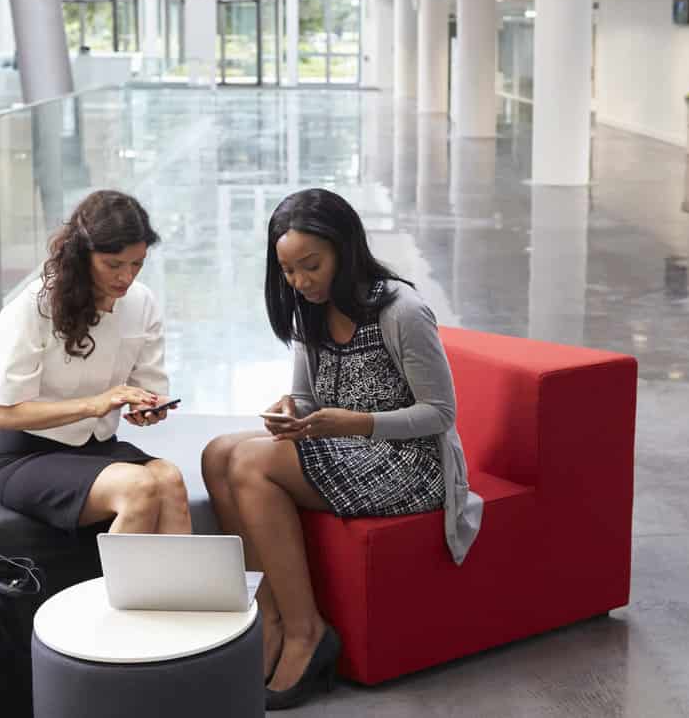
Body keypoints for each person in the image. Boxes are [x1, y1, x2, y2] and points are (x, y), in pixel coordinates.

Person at [202, 188, 482, 710]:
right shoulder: (309, 309)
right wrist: (291, 408)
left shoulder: (402, 310)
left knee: (251, 462)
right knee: (217, 453)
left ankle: (308, 633)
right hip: (341, 447)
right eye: (288, 271)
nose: (300, 282)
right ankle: (269, 619)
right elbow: (308, 397)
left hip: (411, 465)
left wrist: (355, 424)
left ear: (344, 250)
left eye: (311, 266)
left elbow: (440, 414)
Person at [0, 190, 191, 537]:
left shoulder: (141, 303)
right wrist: (96, 405)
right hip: (27, 455)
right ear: (83, 255)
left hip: (97, 448)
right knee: (139, 487)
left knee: (169, 479)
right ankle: (121, 593)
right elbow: (1, 415)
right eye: (113, 265)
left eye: (136, 264)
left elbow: (149, 387)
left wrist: (149, 409)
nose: (126, 277)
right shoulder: (33, 307)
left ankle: (177, 592)